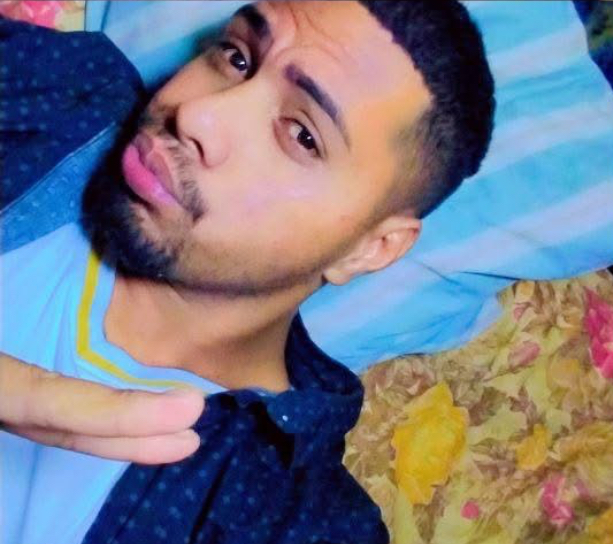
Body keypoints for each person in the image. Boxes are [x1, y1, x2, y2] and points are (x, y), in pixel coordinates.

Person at [0, 1, 495, 543]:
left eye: (302, 135)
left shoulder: (295, 522)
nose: (196, 115)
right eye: (237, 57)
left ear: (369, 249)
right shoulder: (66, 95)